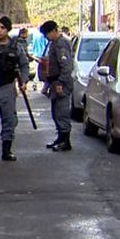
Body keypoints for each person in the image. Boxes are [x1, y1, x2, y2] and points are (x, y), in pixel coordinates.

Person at [0, 16, 29, 161]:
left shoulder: (15, 47)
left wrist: (24, 81)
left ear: (8, 30)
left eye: (2, 28)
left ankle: (6, 151)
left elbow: (24, 64)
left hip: (7, 87)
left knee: (9, 120)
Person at [41, 21, 74, 152]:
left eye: (47, 33)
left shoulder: (61, 44)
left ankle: (65, 140)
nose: (46, 37)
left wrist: (60, 82)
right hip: (55, 82)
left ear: (54, 31)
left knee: (62, 112)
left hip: (61, 84)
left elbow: (66, 66)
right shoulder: (54, 44)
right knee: (56, 112)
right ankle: (60, 137)